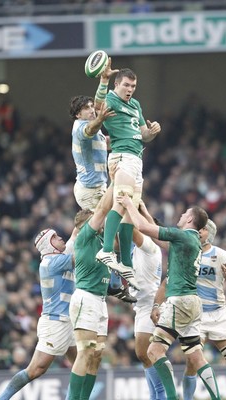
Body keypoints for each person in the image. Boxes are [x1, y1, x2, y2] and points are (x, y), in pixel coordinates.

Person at [117, 194, 221, 400]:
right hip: (193, 303)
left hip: (179, 301)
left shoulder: (182, 236)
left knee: (154, 352)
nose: (181, 216)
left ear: (190, 220)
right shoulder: (190, 243)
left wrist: (129, 205)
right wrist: (145, 211)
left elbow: (145, 229)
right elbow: (158, 239)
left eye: (184, 214)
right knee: (196, 357)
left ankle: (172, 398)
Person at [94, 62, 161, 290]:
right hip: (121, 156)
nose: (130, 89)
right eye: (126, 85)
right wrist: (102, 81)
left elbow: (142, 134)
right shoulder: (111, 99)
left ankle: (126, 263)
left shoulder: (135, 105)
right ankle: (105, 251)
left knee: (130, 215)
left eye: (133, 85)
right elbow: (97, 107)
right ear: (117, 84)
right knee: (121, 202)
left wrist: (151, 132)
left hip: (136, 159)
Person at [0, 227, 79, 400]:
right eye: (54, 237)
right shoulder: (52, 262)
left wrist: (93, 210)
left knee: (82, 364)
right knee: (35, 370)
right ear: (48, 245)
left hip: (68, 321)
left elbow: (77, 232)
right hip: (56, 323)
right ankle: (1, 398)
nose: (60, 237)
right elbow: (82, 256)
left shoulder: (58, 258)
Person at [69, 91, 136, 304]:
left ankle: (111, 282)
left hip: (97, 187)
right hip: (90, 190)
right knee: (106, 234)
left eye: (92, 106)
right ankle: (113, 285)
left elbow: (102, 141)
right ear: (78, 114)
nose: (91, 109)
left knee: (103, 232)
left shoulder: (95, 130)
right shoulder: (81, 128)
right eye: (87, 108)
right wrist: (99, 118)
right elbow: (91, 129)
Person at [182, 219, 226, 400]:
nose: (198, 232)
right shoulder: (187, 253)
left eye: (202, 229)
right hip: (195, 315)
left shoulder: (222, 255)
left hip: (218, 314)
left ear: (209, 233)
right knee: (191, 361)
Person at [68, 182, 114, 400]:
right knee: (85, 351)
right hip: (86, 297)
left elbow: (113, 216)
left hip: (100, 300)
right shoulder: (85, 236)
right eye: (95, 220)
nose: (101, 222)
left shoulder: (102, 239)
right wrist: (116, 182)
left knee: (96, 355)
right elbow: (104, 210)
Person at [130, 201, 166, 400]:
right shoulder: (140, 249)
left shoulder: (149, 244)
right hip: (141, 306)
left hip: (149, 306)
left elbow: (131, 229)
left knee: (145, 354)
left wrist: (125, 206)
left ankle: (163, 394)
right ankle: (157, 396)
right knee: (145, 357)